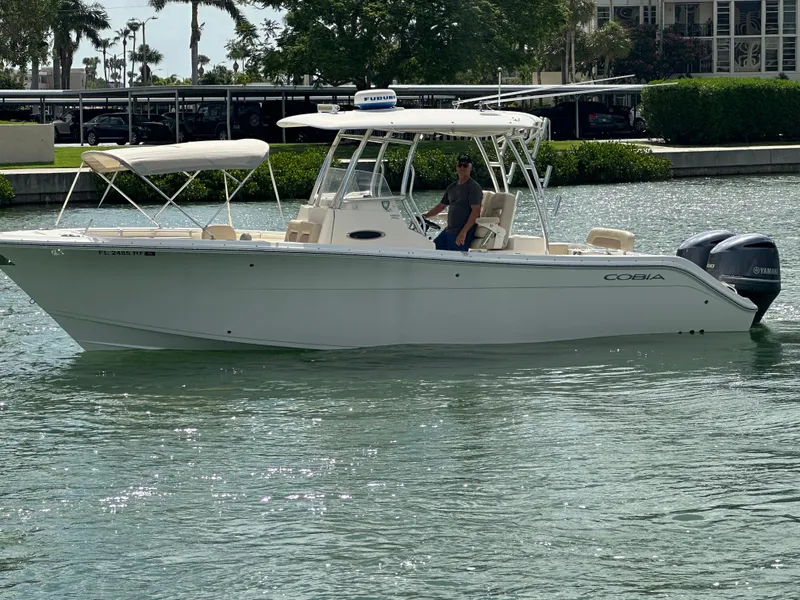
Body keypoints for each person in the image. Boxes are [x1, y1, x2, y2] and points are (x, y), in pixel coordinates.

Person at [422, 153, 482, 251]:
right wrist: (425, 216)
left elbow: (476, 212)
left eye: (465, 165)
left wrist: (463, 233)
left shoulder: (473, 187)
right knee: (431, 250)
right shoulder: (452, 187)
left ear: (470, 168)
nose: (462, 167)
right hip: (449, 231)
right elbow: (441, 206)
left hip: (461, 232)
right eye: (459, 165)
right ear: (457, 168)